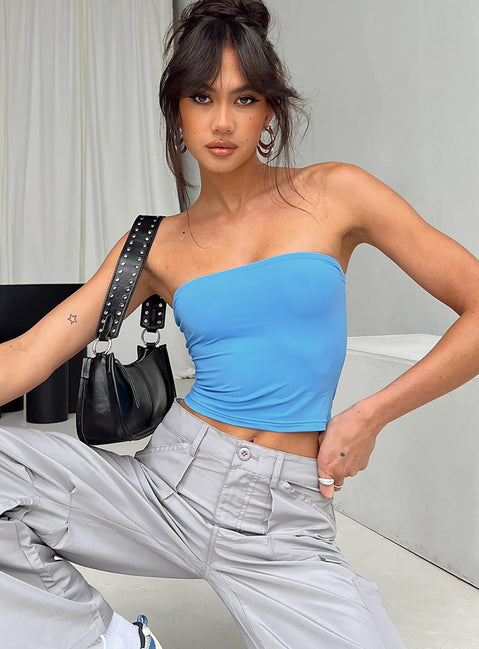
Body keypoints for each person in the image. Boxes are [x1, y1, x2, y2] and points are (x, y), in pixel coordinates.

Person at [1, 1, 479, 648]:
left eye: (244, 98)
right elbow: (28, 352)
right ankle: (108, 642)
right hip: (168, 487)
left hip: (284, 519)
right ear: (177, 110)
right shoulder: (155, 244)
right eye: (202, 97)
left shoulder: (336, 193)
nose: (222, 121)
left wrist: (371, 414)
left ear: (270, 111)